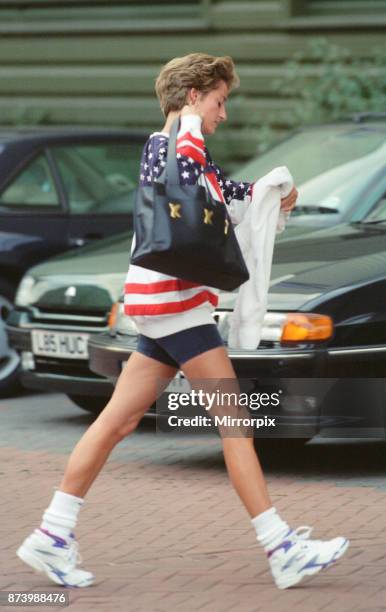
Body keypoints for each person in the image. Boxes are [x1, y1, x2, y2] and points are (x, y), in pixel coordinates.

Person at [17, 53, 348, 590]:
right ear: (193, 97)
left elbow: (225, 196)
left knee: (117, 422)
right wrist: (190, 122)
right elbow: (193, 168)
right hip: (176, 307)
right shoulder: (167, 145)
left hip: (161, 309)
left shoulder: (182, 154)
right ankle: (282, 547)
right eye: (219, 102)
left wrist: (275, 193)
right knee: (236, 425)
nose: (224, 114)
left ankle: (52, 535)